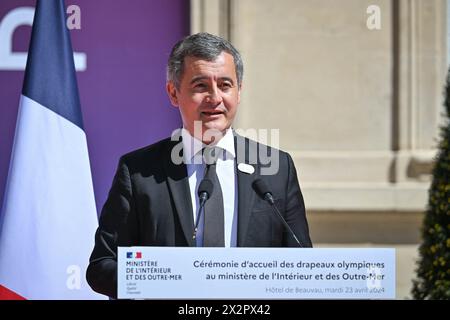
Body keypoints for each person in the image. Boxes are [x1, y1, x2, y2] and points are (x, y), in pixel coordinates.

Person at [86, 32, 312, 298]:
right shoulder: (138, 171)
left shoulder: (276, 169)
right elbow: (102, 266)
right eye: (201, 86)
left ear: (239, 91)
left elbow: (301, 266)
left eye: (225, 85)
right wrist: (164, 281)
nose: (214, 98)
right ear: (173, 92)